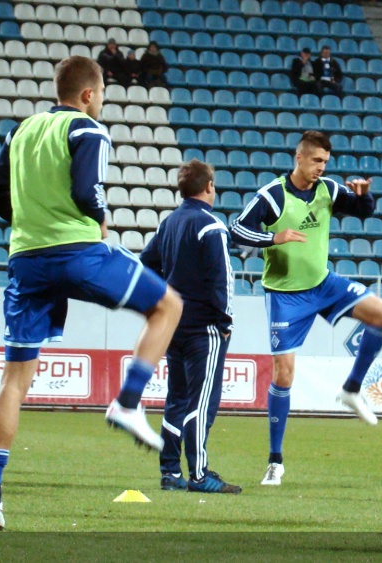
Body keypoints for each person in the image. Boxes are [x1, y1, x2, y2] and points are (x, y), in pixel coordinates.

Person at [0, 56, 183, 531]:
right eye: (103, 93)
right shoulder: (88, 129)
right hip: (77, 252)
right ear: (89, 94)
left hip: (26, 260)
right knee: (168, 305)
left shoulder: (21, 131)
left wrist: (33, 222)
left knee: (13, 382)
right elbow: (88, 190)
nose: (102, 101)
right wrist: (100, 219)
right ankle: (128, 402)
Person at [230, 131, 382, 486]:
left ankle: (351, 389)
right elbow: (237, 231)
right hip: (285, 296)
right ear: (299, 158)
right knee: (283, 375)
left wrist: (365, 196)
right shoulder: (273, 195)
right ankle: (275, 461)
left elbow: (363, 211)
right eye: (316, 160)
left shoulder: (328, 189)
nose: (321, 167)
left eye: (325, 162)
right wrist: (274, 237)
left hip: (323, 284)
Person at [140, 159, 242, 495]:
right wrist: (224, 322)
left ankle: (170, 472)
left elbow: (146, 263)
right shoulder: (212, 226)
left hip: (174, 327)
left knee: (177, 399)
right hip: (204, 327)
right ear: (209, 186)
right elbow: (221, 280)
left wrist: (165, 298)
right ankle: (199, 475)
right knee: (201, 402)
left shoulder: (169, 224)